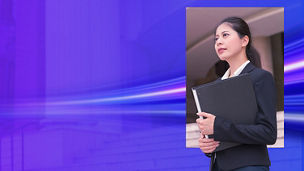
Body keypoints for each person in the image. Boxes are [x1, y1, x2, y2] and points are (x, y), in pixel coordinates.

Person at [196, 17, 277, 171]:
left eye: (225, 35)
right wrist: (207, 144)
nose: (218, 42)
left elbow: (268, 133)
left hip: (249, 166)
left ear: (244, 40)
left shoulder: (260, 78)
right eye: (216, 38)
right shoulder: (216, 86)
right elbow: (219, 132)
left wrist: (218, 126)